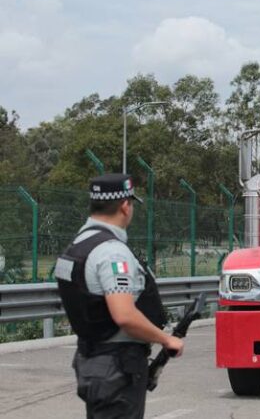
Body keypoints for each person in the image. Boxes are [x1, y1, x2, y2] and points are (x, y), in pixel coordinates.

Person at [55, 174, 184, 418]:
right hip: (116, 365)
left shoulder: (77, 245)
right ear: (125, 206)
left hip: (91, 360)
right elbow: (124, 315)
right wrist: (167, 340)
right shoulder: (112, 253)